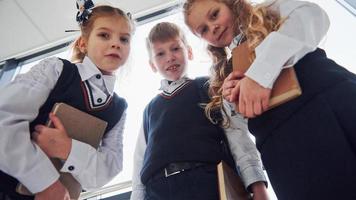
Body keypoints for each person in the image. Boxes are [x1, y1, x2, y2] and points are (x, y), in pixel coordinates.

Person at [184, 0, 356, 199]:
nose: (213, 28)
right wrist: (234, 101)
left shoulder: (268, 12)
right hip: (285, 151)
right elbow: (240, 129)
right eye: (203, 30)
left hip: (332, 104)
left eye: (214, 14)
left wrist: (259, 75)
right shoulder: (226, 74)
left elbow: (313, 16)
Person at [0, 1, 133, 199]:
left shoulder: (119, 108)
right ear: (83, 43)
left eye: (124, 39)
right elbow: (3, 121)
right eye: (104, 35)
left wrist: (68, 148)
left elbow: (106, 172)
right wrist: (48, 184)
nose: (116, 43)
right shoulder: (56, 70)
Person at [130, 22, 268, 200]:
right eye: (160, 54)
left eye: (175, 49)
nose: (170, 57)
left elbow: (236, 136)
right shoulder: (149, 109)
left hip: (208, 181)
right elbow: (139, 162)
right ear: (152, 65)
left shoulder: (209, 86)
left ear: (189, 52)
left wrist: (256, 184)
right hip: (158, 190)